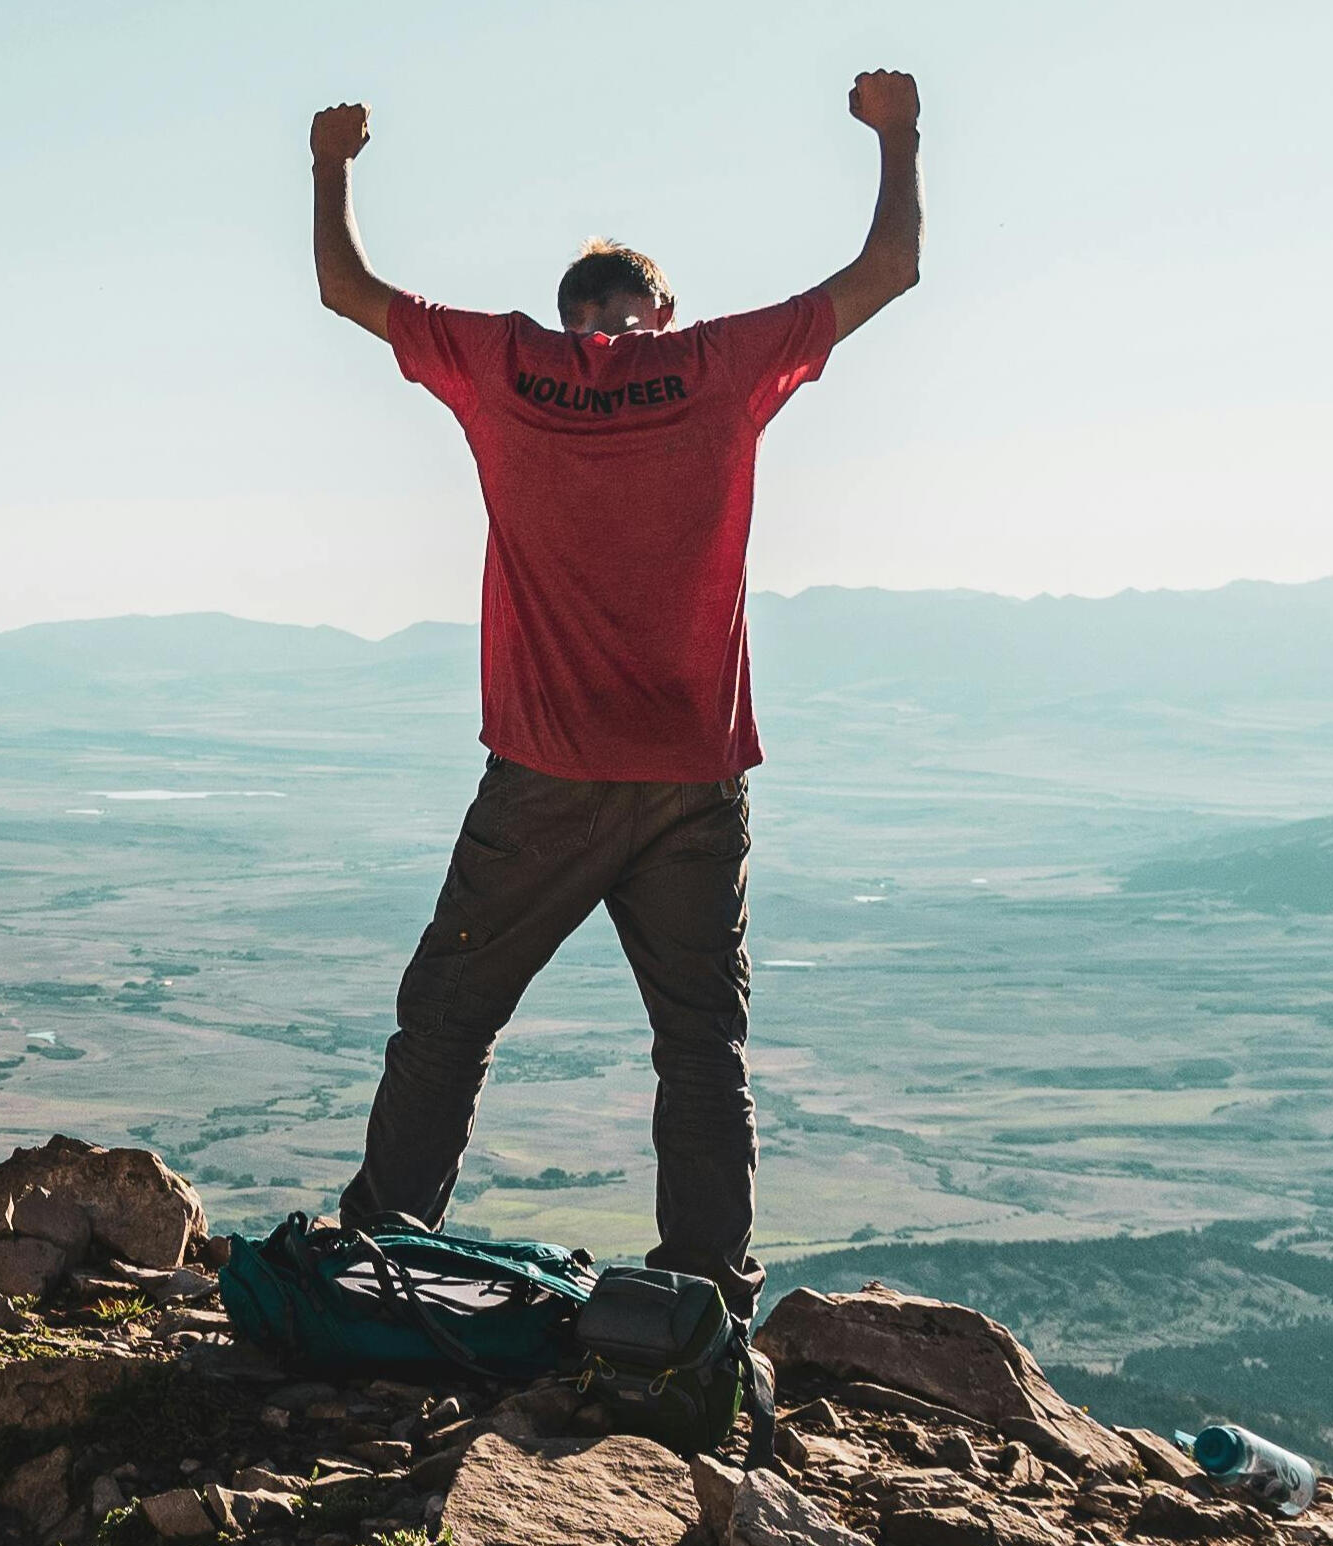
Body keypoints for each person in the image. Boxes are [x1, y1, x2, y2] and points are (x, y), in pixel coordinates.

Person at [308, 71, 924, 1323]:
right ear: (659, 308)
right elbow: (891, 266)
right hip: (694, 776)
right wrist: (898, 136)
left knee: (448, 1017)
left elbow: (344, 286)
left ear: (570, 315)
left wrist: (331, 162)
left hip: (545, 771)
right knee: (700, 1046)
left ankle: (378, 1264)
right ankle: (707, 1311)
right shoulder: (719, 361)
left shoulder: (504, 363)